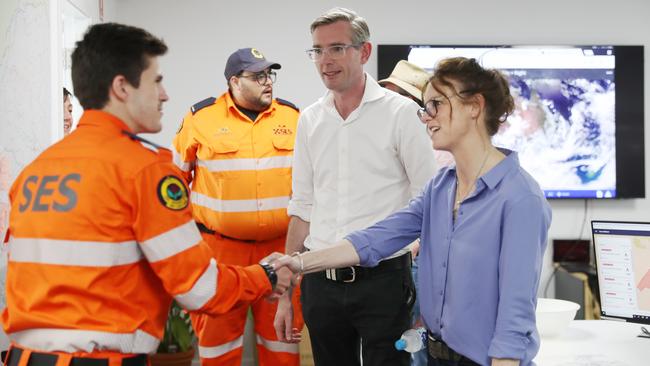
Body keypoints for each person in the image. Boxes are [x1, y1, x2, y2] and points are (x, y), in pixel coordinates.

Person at [1, 23, 293, 366]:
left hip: (22, 358)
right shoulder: (145, 171)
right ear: (122, 88)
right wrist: (268, 275)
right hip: (100, 359)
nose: (165, 94)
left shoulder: (35, 171)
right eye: (156, 80)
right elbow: (200, 288)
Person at [273, 57, 552, 366]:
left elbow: (516, 313)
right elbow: (374, 240)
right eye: (425, 107)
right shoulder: (441, 189)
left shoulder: (519, 197)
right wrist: (297, 261)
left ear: (474, 106)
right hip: (438, 357)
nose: (425, 117)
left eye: (435, 105)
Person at [274, 7, 436, 366]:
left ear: (364, 52)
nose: (324, 61)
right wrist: (287, 287)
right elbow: (302, 204)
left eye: (336, 48)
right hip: (320, 282)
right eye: (317, 50)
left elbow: (428, 200)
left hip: (384, 280)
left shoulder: (401, 114)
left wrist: (411, 257)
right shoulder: (310, 119)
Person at [172, 48, 302, 365]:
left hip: (280, 249)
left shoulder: (293, 117)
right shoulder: (200, 118)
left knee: (282, 343)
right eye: (258, 76)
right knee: (218, 345)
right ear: (234, 81)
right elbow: (174, 182)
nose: (267, 82)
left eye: (270, 75)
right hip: (220, 253)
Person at [379, 60, 430, 366]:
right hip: (383, 259)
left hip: (413, 259)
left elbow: (435, 209)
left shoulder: (434, 144)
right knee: (391, 345)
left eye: (397, 94)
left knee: (416, 345)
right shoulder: (381, 139)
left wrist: (413, 247)